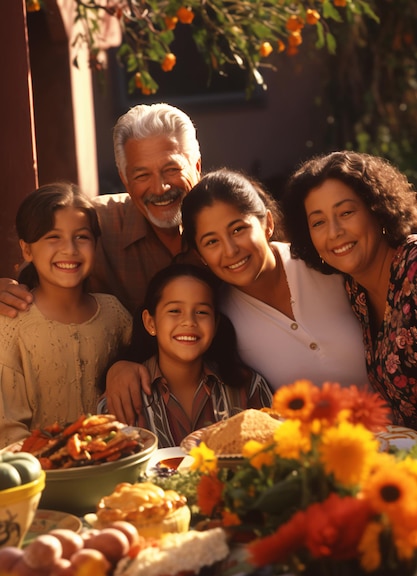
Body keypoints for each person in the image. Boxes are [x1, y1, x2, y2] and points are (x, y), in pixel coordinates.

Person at [0, 103, 201, 318]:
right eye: (142, 175)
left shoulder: (226, 218)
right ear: (124, 179)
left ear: (196, 167)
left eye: (171, 169)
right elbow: (27, 280)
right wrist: (6, 292)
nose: (160, 188)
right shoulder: (91, 222)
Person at [180, 168, 369, 393]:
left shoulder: (326, 262)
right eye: (212, 242)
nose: (230, 251)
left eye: (238, 229)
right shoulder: (219, 320)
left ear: (267, 224)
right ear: (200, 255)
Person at [279, 150, 417, 427]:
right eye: (318, 222)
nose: (334, 232)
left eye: (346, 212)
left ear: (377, 209)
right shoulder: (356, 291)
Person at [0, 182, 132, 449]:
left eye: (81, 236)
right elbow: (8, 429)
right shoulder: (10, 324)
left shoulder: (115, 314)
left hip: (111, 466)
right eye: (53, 237)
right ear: (27, 250)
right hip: (41, 477)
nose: (69, 249)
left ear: (96, 244)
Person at [114, 263, 272, 447]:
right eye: (174, 311)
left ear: (215, 323)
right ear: (150, 323)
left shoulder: (250, 387)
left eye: (201, 312)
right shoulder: (123, 394)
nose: (189, 322)